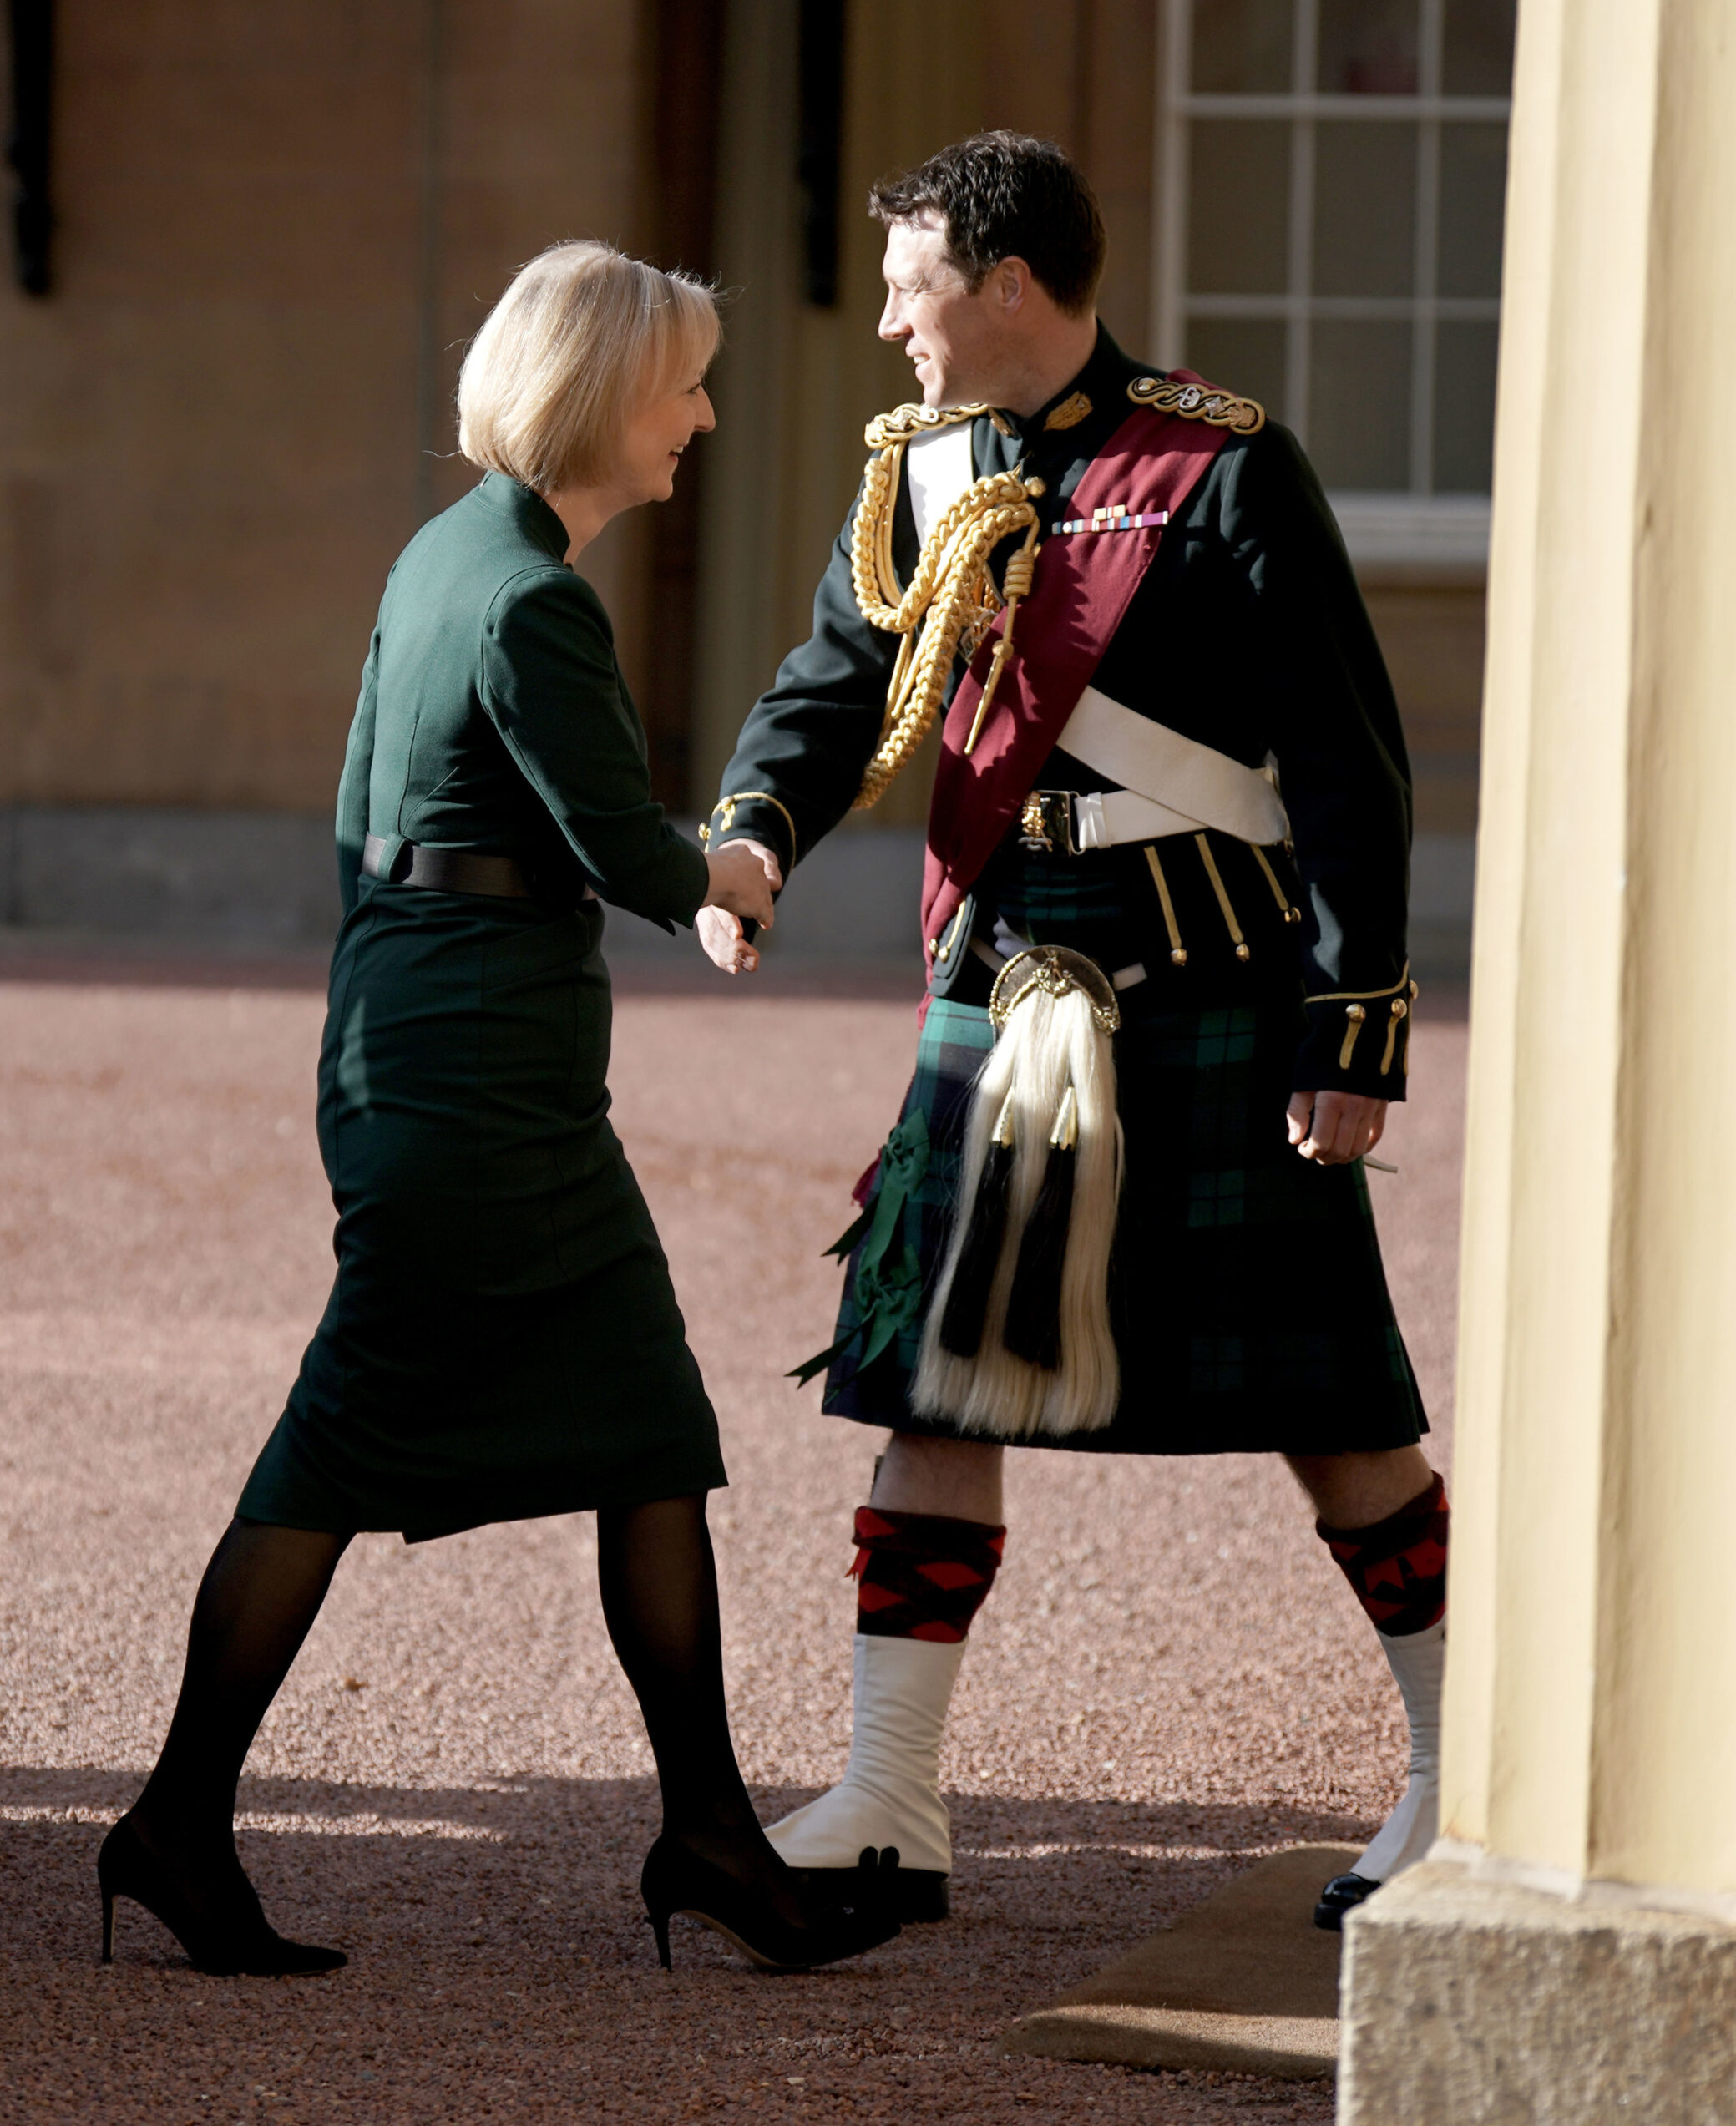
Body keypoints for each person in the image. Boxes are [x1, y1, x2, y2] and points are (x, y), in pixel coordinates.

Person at [99, 241, 896, 1979]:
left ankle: (704, 1831)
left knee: (647, 1431)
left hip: (438, 1053)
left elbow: (403, 817)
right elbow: (623, 844)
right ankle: (172, 1817)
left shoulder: (444, 552)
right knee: (341, 1444)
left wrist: (659, 879)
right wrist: (729, 871)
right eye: (682, 384)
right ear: (609, 396)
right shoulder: (535, 595)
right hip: (480, 1093)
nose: (697, 416)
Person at [697, 135, 1448, 1932]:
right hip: (1006, 971)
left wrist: (1348, 1029)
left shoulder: (1223, 465)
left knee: (1326, 1398)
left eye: (912, 283)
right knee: (923, 1379)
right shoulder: (917, 471)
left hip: (1208, 982)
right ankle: (887, 1799)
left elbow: (1344, 760)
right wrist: (751, 838)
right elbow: (830, 684)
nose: (887, 320)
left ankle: (1454, 1773)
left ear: (1009, 280)